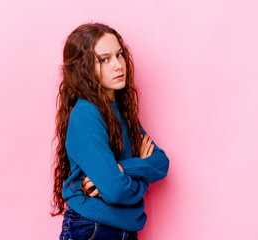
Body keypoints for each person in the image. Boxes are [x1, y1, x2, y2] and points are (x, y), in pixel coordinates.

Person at [51, 22, 170, 240]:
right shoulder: (86, 115)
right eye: (104, 60)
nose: (118, 65)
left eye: (119, 55)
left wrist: (120, 168)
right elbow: (116, 190)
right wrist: (139, 174)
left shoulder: (120, 112)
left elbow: (162, 162)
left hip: (122, 229)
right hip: (93, 229)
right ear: (83, 68)